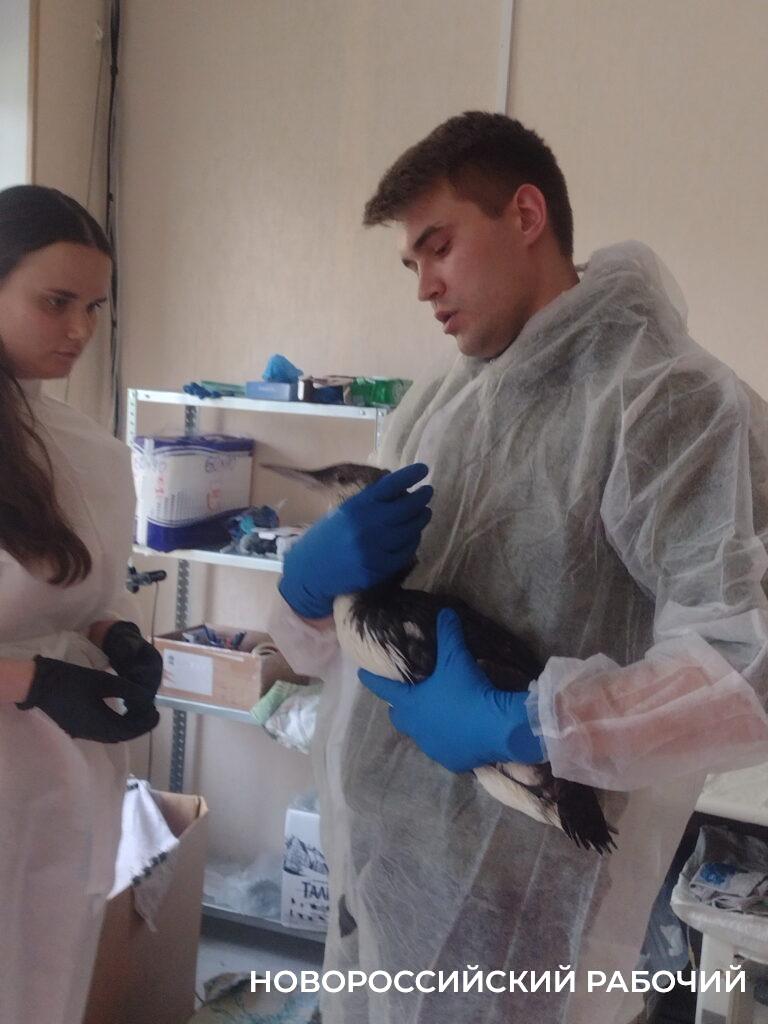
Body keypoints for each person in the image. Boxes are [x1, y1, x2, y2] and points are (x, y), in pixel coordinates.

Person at [269, 113, 768, 1024]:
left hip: (525, 900)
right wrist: (307, 595)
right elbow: (347, 654)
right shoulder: (434, 407)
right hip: (383, 869)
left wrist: (533, 721)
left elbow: (744, 668)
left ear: (527, 215)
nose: (424, 286)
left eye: (439, 247)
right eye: (411, 263)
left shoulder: (668, 401)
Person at [0, 184, 162, 1024]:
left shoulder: (77, 446)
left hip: (55, 782)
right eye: (55, 301)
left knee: (44, 979)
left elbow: (60, 594)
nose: (80, 330)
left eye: (94, 307)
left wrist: (113, 631)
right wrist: (33, 682)